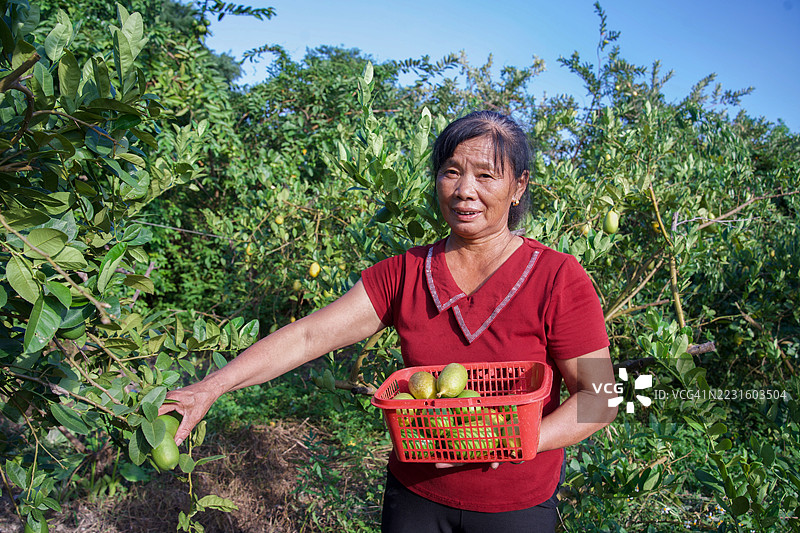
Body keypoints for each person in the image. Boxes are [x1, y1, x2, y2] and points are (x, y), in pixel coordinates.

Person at [159, 110, 617, 533]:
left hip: (516, 507)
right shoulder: (405, 273)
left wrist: (509, 440)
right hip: (415, 497)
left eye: (486, 175)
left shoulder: (558, 278)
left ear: (518, 186)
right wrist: (211, 387)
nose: (464, 191)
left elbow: (599, 401)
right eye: (451, 171)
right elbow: (308, 336)